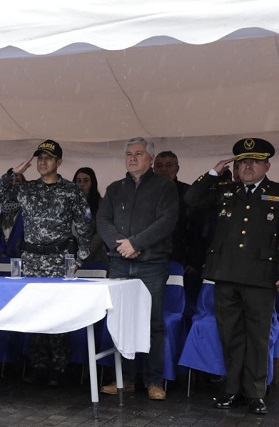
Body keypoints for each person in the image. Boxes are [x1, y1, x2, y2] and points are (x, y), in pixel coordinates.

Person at [184, 138, 279, 415]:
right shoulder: (225, 191)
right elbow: (191, 198)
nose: (247, 166)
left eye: (254, 161)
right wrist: (214, 172)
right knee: (231, 336)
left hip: (262, 277)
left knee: (258, 338)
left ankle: (255, 394)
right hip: (225, 274)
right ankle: (231, 390)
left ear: (266, 165)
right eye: (242, 161)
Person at [0, 140, 92, 386]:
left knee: (57, 315)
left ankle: (58, 368)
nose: (42, 162)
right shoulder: (26, 189)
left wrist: (80, 259)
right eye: (39, 158)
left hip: (59, 261)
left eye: (48, 158)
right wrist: (15, 173)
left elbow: (86, 225)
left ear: (59, 162)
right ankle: (36, 366)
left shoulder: (71, 191)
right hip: (32, 261)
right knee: (35, 314)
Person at [96, 137, 179, 401]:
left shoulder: (165, 187)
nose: (133, 158)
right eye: (129, 154)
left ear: (150, 158)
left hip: (152, 264)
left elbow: (167, 221)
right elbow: (102, 219)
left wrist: (136, 243)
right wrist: (121, 246)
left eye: (139, 153)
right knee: (122, 322)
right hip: (120, 263)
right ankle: (126, 379)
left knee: (153, 322)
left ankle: (154, 381)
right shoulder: (114, 188)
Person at [153, 151, 191, 267]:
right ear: (153, 169)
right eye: (159, 166)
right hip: (151, 256)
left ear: (177, 168)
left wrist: (194, 261)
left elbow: (196, 228)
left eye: (169, 165)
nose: (164, 170)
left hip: (181, 255)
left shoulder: (188, 192)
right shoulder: (144, 193)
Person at [72, 167, 107, 265]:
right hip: (71, 256)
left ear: (93, 183)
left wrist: (85, 252)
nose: (81, 184)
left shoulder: (101, 203)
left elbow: (101, 232)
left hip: (95, 257)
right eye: (78, 181)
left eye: (86, 181)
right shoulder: (68, 203)